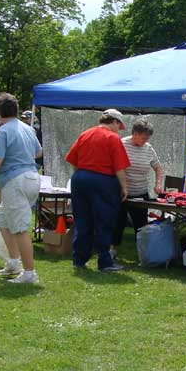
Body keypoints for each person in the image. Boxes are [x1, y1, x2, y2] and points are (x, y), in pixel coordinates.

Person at [0, 93, 43, 284]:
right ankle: (14, 262)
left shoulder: (2, 132)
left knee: (20, 228)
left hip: (15, 181)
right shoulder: (27, 129)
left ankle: (29, 274)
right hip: (32, 178)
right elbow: (38, 152)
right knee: (3, 221)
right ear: (16, 110)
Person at [65, 108, 130, 272]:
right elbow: (119, 168)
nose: (119, 131)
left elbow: (73, 159)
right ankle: (104, 261)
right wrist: (124, 187)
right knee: (104, 220)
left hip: (80, 178)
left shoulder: (85, 134)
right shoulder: (113, 138)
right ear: (115, 122)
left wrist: (80, 176)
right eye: (119, 126)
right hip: (103, 181)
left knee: (82, 220)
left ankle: (79, 259)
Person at [111, 118, 164, 260]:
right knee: (118, 222)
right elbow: (115, 167)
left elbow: (158, 167)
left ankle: (144, 253)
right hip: (121, 192)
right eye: (143, 137)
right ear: (134, 133)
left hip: (141, 192)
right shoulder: (121, 144)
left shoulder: (148, 148)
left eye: (148, 137)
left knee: (141, 225)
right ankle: (111, 250)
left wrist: (158, 183)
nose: (145, 140)